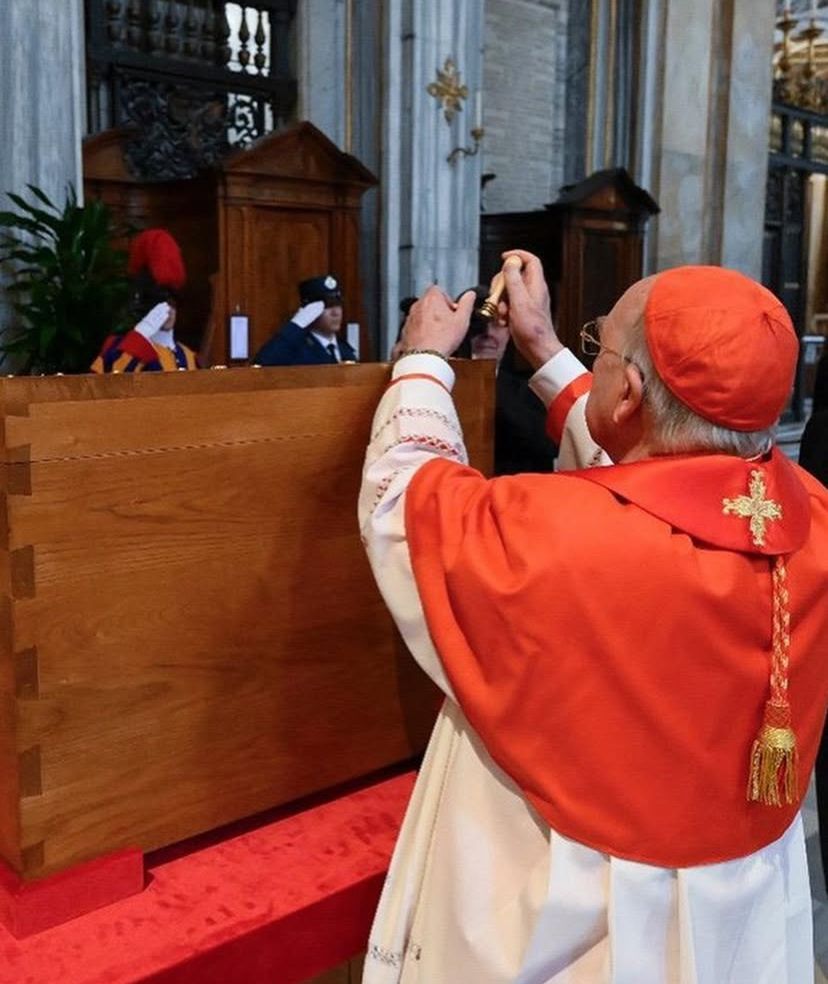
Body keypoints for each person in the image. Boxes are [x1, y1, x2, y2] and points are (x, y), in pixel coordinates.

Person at [358, 251, 828, 984]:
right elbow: (658, 469)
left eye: (597, 347)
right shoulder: (815, 520)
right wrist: (545, 348)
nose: (593, 361)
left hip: (579, 907)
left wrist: (421, 359)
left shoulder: (550, 536)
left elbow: (403, 496)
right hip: (741, 898)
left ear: (630, 390)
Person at [91, 228, 199, 373]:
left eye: (172, 301)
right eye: (159, 302)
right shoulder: (116, 350)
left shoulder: (188, 357)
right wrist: (141, 334)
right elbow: (109, 386)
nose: (168, 310)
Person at [253, 274, 357, 366]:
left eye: (338, 305)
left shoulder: (345, 350)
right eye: (327, 306)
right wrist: (297, 324)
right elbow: (261, 365)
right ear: (310, 310)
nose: (336, 313)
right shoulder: (295, 349)